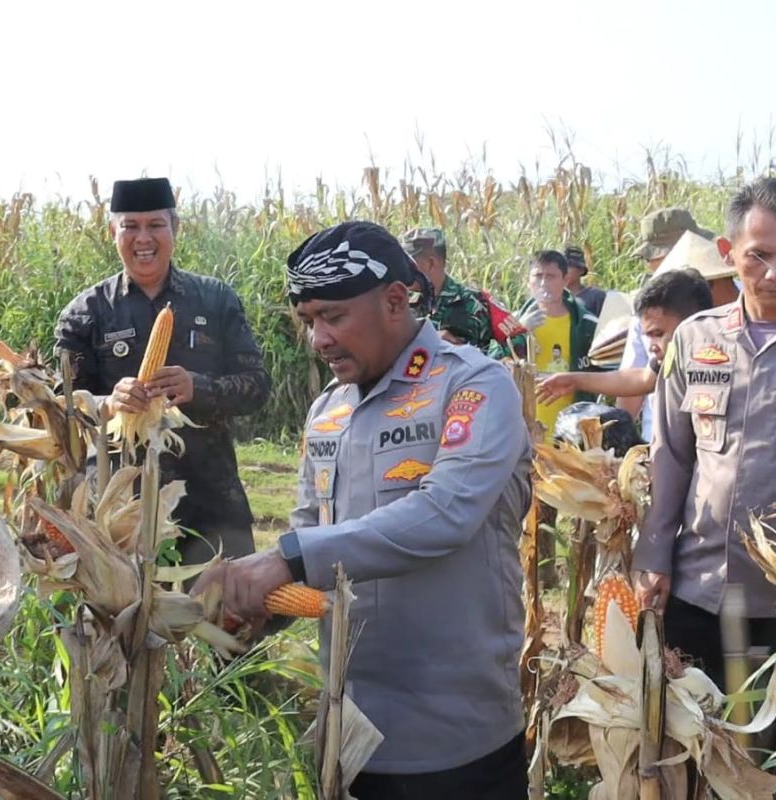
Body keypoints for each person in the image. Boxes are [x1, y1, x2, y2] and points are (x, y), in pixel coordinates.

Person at [194, 221, 530, 799]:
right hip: (353, 731)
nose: (318, 339)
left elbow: (446, 512)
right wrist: (258, 607)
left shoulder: (474, 386)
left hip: (455, 734)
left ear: (395, 301)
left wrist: (290, 560)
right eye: (308, 322)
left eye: (332, 316)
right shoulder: (327, 411)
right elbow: (309, 531)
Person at [634, 177, 776, 754]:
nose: (775, 272)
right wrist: (653, 554)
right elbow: (673, 456)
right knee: (695, 751)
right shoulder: (694, 340)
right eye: (759, 255)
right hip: (700, 586)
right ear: (729, 255)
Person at [55, 178, 270, 566]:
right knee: (123, 615)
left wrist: (199, 387)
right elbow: (59, 405)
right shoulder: (86, 313)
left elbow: (256, 387)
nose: (143, 239)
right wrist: (107, 402)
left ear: (175, 228)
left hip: (209, 497)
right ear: (112, 232)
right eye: (130, 226)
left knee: (226, 615)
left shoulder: (216, 300)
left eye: (155, 225)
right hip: (119, 499)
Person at [536, 269, 714, 412]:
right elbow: (641, 379)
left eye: (658, 334)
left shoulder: (726, 361)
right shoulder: (667, 361)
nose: (652, 347)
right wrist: (574, 380)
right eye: (648, 336)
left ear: (692, 324)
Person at [618, 209, 714, 439]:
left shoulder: (741, 297)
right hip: (660, 442)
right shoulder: (648, 307)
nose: (650, 266)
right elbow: (636, 379)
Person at [490, 250, 598, 439]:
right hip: (526, 429)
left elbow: (603, 371)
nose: (543, 283)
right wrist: (518, 333)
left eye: (551, 276)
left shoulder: (586, 324)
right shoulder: (511, 322)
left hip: (572, 429)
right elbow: (491, 364)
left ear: (565, 281)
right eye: (538, 276)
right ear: (528, 281)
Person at [400, 227, 497, 351]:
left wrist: (464, 352)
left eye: (408, 264)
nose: (402, 270)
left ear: (431, 263)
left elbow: (518, 342)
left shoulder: (476, 302)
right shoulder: (402, 303)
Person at [564, 245, 606, 316]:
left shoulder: (596, 297)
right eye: (560, 266)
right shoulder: (553, 297)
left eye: (569, 266)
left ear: (581, 270)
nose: (563, 270)